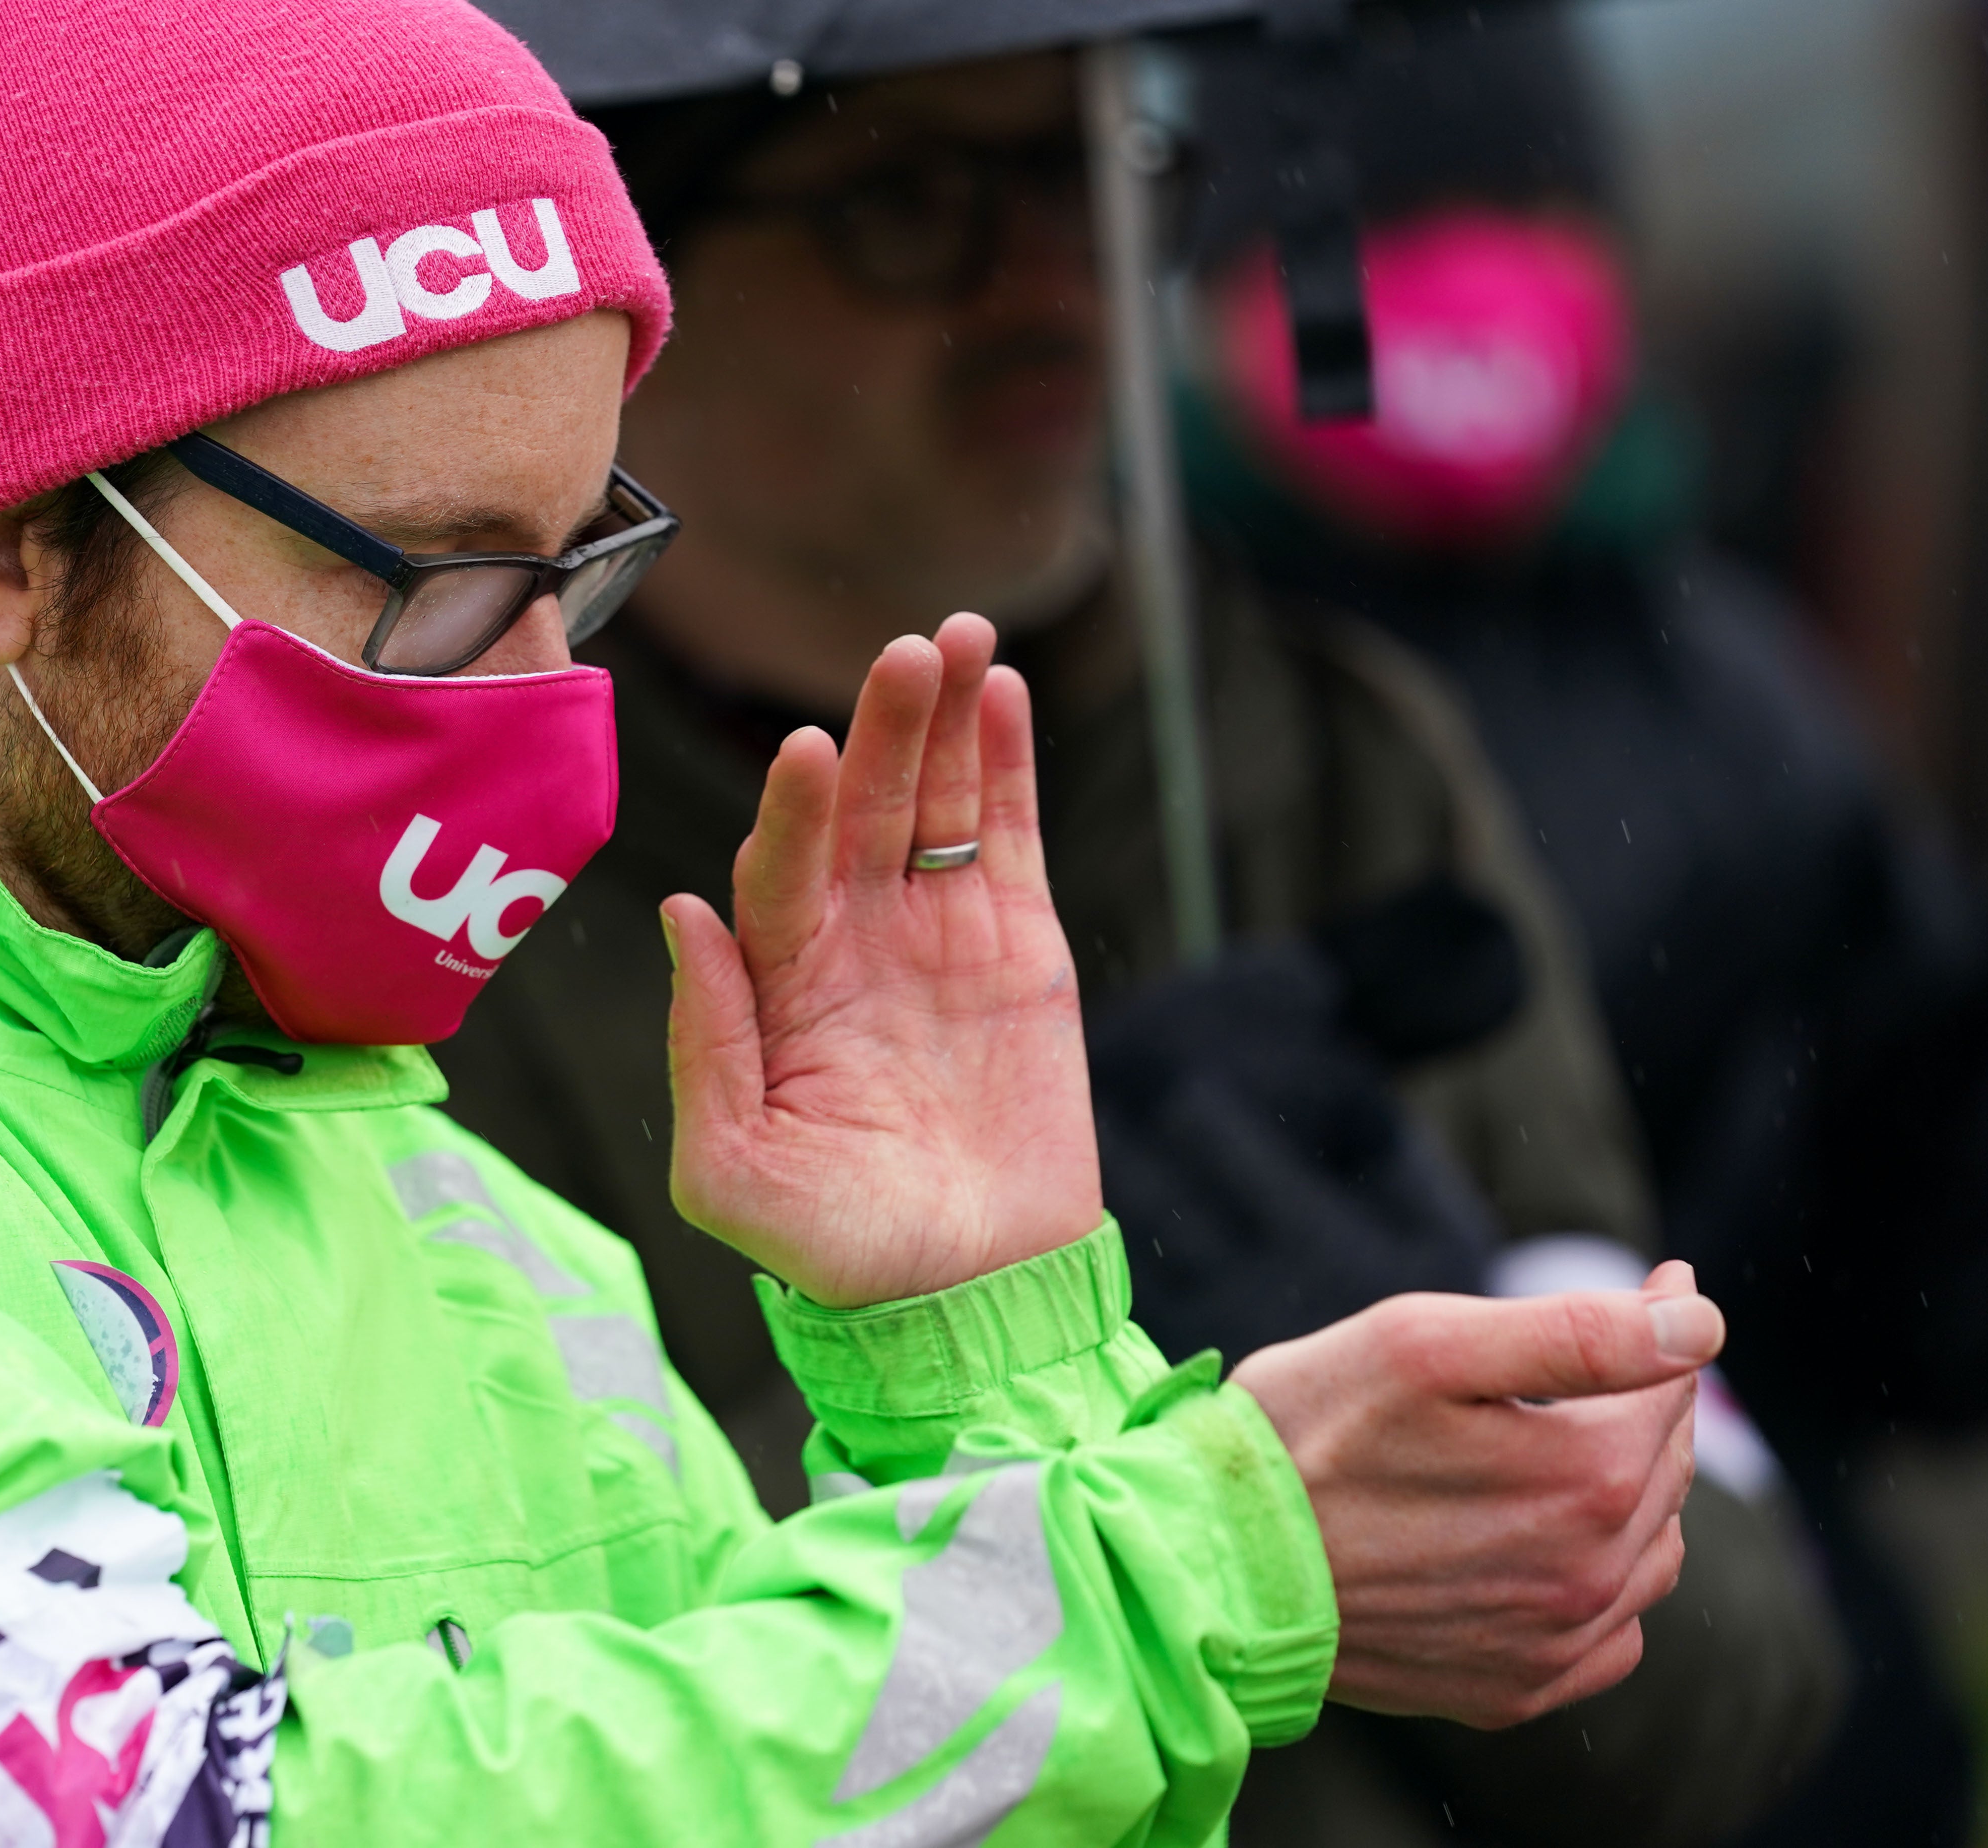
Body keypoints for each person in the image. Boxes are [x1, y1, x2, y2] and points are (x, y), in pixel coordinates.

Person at [0, 2, 1723, 1844]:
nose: (546, 698)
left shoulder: (429, 1197)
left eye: (579, 568)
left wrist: (965, 1351)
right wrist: (1165, 1563)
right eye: (431, 583)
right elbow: (161, 1810)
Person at [431, 38, 1839, 1848]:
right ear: (638, 285)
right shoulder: (454, 867)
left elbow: (1724, 1699)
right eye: (909, 202)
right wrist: (1093, 1421)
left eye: (1097, 173)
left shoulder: (1333, 763)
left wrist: (1394, 1326)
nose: (1057, 275)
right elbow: (505, 1730)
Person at [1175, 13, 1988, 1843]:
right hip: (1298, 1685)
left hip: (1752, 1673)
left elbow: (1948, 1273)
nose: (1456, 304)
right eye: (1383, 230)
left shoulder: (1738, 689)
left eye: (1515, 213)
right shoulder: (1132, 703)